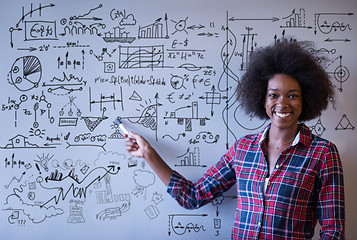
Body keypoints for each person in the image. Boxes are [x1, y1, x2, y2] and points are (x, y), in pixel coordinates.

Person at [125, 41, 345, 239]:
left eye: (293, 95)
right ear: (261, 97)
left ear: (306, 98)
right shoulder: (243, 149)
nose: (282, 103)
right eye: (273, 95)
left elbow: (333, 231)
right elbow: (193, 196)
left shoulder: (323, 154)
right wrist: (148, 154)